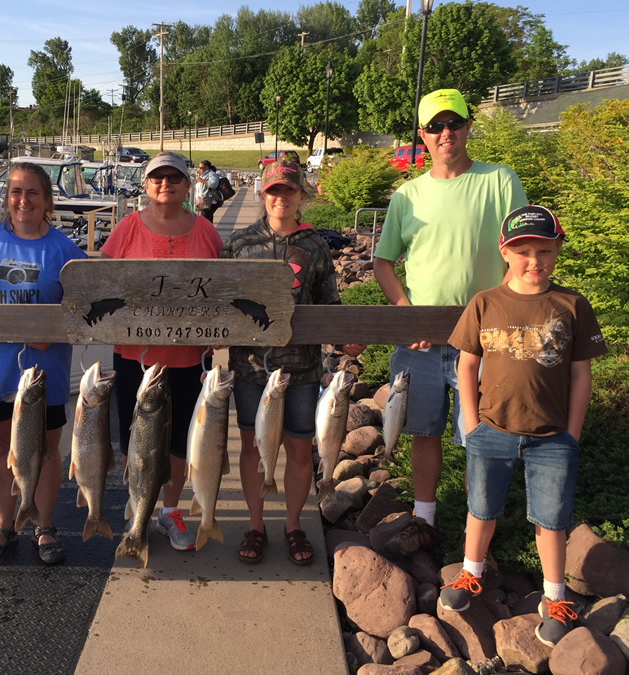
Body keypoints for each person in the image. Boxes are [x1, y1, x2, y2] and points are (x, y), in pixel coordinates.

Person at [439, 205, 607, 646]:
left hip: (552, 438)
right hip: (491, 430)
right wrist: (472, 423)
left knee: (551, 521)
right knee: (481, 508)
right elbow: (467, 364)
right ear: (505, 253)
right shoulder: (485, 303)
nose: (535, 260)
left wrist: (572, 433)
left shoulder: (572, 305)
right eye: (524, 251)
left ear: (557, 250)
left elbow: (580, 374)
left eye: (545, 250)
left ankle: (555, 597)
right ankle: (470, 572)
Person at [373, 88, 529, 559]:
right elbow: (384, 263)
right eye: (435, 126)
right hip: (421, 341)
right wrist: (405, 311)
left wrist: (499, 310)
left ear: (467, 127)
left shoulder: (499, 181)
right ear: (421, 135)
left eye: (454, 123)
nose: (446, 133)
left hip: (483, 339)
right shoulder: (408, 194)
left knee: (481, 436)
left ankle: (476, 526)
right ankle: (424, 519)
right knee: (423, 429)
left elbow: (520, 252)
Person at [220, 160, 364, 566]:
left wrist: (344, 337)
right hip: (250, 367)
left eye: (288, 191)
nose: (280, 198)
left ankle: (294, 524)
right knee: (253, 446)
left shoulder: (316, 245)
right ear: (263, 195)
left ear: (301, 196)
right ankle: (255, 524)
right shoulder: (238, 244)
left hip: (301, 369)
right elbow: (220, 305)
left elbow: (329, 304)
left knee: (300, 451)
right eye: (273, 191)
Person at [0, 162, 86, 565]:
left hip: (44, 370)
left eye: (32, 193)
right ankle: (5, 524)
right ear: (5, 197)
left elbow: (84, 301)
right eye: (14, 192)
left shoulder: (64, 248)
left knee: (45, 449)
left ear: (47, 200)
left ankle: (44, 525)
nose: (22, 201)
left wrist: (56, 327)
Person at [100, 151, 223, 552]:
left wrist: (220, 353)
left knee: (177, 442)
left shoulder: (206, 231)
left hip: (188, 358)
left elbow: (223, 291)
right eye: (157, 178)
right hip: (134, 355)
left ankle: (170, 512)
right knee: (133, 440)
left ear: (189, 185)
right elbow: (99, 282)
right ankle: (138, 507)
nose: (165, 184)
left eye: (174, 178)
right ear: (146, 184)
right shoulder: (127, 228)